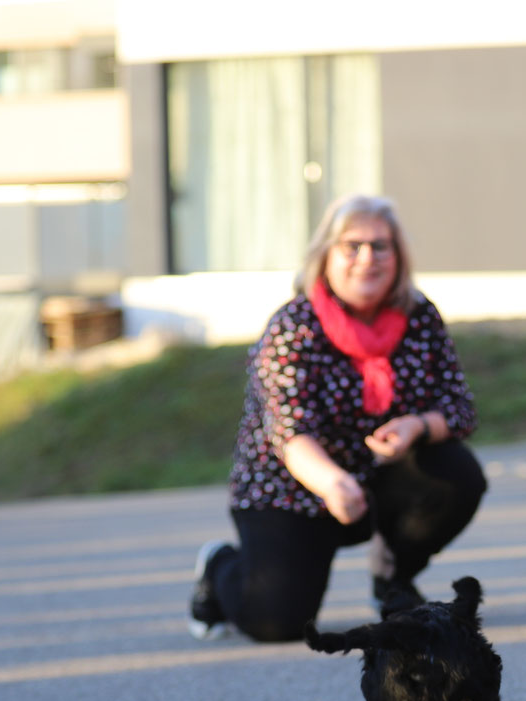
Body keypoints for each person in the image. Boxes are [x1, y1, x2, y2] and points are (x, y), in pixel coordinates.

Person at [189, 194, 483, 643]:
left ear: (398, 256)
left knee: (456, 472)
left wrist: (417, 427)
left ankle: (392, 578)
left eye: (380, 246)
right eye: (352, 246)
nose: (368, 259)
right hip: (293, 491)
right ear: (325, 255)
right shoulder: (294, 326)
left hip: (380, 481)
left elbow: (460, 408)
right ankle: (218, 567)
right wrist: (331, 483)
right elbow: (289, 430)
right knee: (276, 624)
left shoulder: (418, 316)